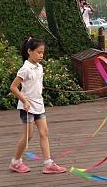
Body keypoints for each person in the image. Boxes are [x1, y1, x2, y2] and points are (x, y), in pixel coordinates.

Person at [9, 37, 67, 174]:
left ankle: (48, 164)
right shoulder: (25, 69)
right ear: (29, 51)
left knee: (44, 132)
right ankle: (16, 162)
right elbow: (13, 87)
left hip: (39, 105)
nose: (41, 55)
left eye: (43, 52)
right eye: (39, 52)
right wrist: (24, 101)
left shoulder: (39, 67)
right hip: (27, 107)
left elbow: (35, 84)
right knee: (28, 136)